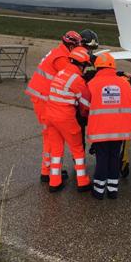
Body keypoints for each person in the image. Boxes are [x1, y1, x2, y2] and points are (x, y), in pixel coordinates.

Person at [25, 31, 82, 182]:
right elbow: (72, 78)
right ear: (71, 46)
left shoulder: (58, 51)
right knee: (52, 136)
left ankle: (47, 170)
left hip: (41, 97)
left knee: (50, 135)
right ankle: (49, 171)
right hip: (43, 98)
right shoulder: (62, 58)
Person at [86, 53, 131, 200]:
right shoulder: (125, 83)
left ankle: (98, 191)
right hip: (120, 130)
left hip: (100, 130)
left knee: (102, 158)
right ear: (113, 67)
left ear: (97, 67)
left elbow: (84, 105)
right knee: (115, 157)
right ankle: (113, 190)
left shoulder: (92, 84)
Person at [44, 47, 93, 192]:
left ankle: (54, 182)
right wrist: (86, 115)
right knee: (77, 149)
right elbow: (85, 104)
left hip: (50, 117)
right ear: (81, 64)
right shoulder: (76, 79)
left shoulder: (61, 73)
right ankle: (82, 181)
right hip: (65, 118)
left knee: (56, 150)